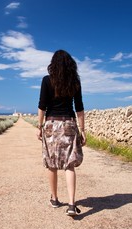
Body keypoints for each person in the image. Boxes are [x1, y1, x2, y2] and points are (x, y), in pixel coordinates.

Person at [37, 49, 86, 216]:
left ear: (53, 64)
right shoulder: (75, 81)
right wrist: (82, 130)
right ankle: (72, 204)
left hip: (51, 124)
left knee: (51, 164)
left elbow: (42, 106)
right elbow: (79, 107)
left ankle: (55, 199)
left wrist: (39, 126)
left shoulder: (46, 80)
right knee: (69, 163)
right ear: (70, 65)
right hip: (69, 124)